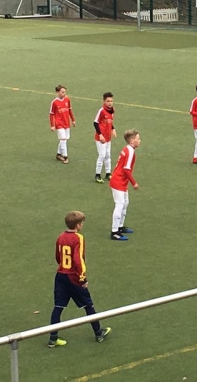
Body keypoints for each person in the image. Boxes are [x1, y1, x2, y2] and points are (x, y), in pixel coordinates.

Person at [47, 211, 112, 348]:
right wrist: (82, 278)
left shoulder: (60, 237)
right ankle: (98, 333)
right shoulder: (78, 238)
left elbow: (58, 256)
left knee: (58, 307)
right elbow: (78, 260)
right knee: (88, 305)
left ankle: (53, 338)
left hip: (61, 276)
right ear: (77, 225)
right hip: (74, 277)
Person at [109, 130, 141, 241]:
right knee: (119, 205)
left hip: (121, 181)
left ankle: (120, 226)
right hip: (118, 182)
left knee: (125, 203)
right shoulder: (130, 151)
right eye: (138, 138)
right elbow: (126, 169)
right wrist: (134, 183)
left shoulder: (127, 148)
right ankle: (114, 232)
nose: (139, 140)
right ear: (132, 141)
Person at [50, 85, 76, 164]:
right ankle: (65, 157)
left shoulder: (67, 99)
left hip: (67, 123)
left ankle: (58, 154)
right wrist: (52, 125)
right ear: (57, 92)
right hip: (59, 124)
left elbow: (70, 110)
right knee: (63, 139)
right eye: (62, 92)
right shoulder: (54, 102)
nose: (64, 93)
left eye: (65, 92)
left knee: (64, 139)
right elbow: (51, 114)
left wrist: (73, 120)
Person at [93, 93, 116, 184]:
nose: (110, 103)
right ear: (104, 101)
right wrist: (100, 135)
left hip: (108, 137)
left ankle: (108, 173)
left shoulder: (112, 111)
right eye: (108, 101)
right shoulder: (101, 111)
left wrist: (113, 129)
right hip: (101, 138)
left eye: (111, 101)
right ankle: (97, 175)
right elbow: (95, 123)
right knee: (102, 155)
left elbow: (110, 122)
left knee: (108, 155)